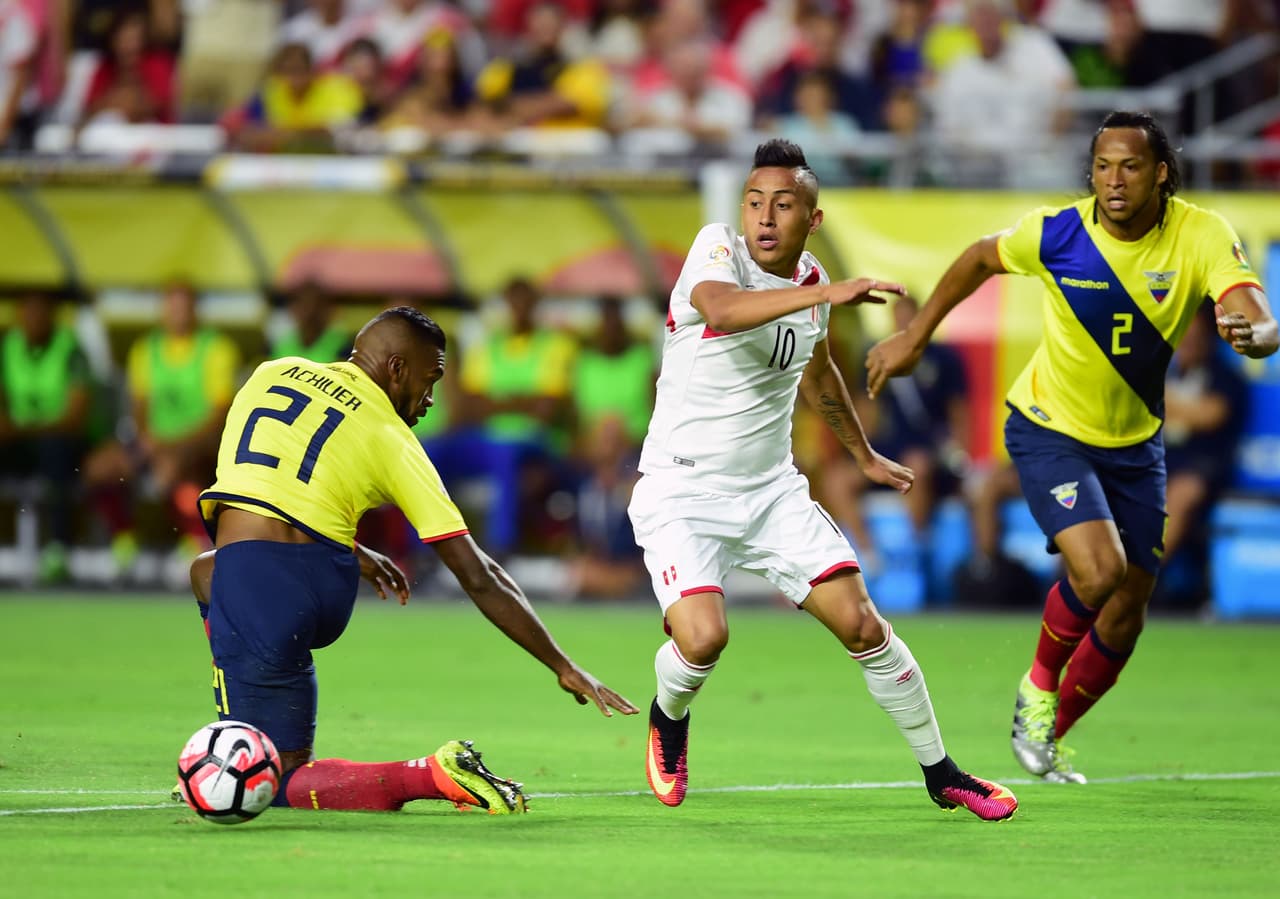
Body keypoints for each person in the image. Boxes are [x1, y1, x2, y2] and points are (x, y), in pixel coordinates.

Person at [867, 110, 1277, 783]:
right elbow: (977, 257)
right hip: (1047, 428)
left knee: (1126, 616)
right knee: (1098, 570)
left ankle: (1044, 734)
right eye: (1103, 166)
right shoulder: (1060, 233)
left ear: (1161, 174)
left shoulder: (1200, 233)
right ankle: (1036, 684)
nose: (1115, 181)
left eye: (1132, 166)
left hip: (1135, 446)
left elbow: (1252, 307)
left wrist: (1260, 334)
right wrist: (915, 337)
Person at [628, 139, 1018, 821]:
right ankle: (668, 716)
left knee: (864, 625)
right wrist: (833, 290)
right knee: (703, 638)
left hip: (771, 492)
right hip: (682, 491)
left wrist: (862, 454)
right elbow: (720, 309)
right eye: (756, 202)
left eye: (783, 204)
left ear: (813, 217)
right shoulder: (716, 248)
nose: (765, 217)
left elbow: (817, 373)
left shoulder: (811, 287)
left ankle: (942, 771)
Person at [186, 305, 636, 814]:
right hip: (318, 580)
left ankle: (427, 774)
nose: (430, 399)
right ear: (396, 368)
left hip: (262, 580)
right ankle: (236, 737)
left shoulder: (271, 373)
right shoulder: (392, 438)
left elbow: (263, 484)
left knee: (280, 784)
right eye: (430, 379)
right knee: (206, 571)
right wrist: (562, 663)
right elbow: (478, 574)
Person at [0, 292, 93, 582]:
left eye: (40, 313)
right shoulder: (7, 347)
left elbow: (74, 417)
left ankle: (58, 548)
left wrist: (23, 428)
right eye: (27, 313)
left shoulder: (71, 350)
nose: (33, 320)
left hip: (60, 439)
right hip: (19, 442)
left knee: (57, 454)